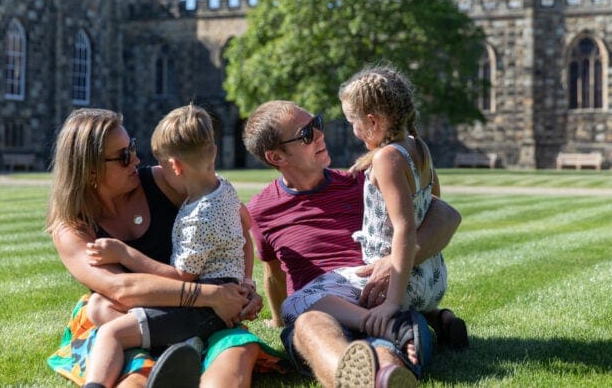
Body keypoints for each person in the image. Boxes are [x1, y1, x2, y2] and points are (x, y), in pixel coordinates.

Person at [45, 108, 282, 388]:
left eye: (131, 147)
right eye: (123, 156)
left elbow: (236, 222)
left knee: (236, 355)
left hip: (204, 311)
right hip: (127, 313)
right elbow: (120, 289)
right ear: (90, 169)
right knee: (121, 348)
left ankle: (188, 358)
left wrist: (244, 285)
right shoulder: (72, 227)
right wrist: (212, 295)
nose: (136, 158)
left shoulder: (163, 181)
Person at [244, 99, 467, 387]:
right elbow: (273, 273)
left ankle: (387, 372)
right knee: (309, 324)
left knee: (383, 347)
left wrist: (394, 262)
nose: (320, 134)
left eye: (318, 124)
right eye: (306, 134)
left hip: (383, 306)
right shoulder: (262, 209)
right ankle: (370, 376)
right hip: (324, 316)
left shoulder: (363, 181)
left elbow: (444, 216)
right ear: (277, 157)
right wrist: (276, 320)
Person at [279, 66, 448, 353]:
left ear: (372, 121)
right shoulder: (418, 147)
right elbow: (435, 204)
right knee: (332, 280)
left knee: (295, 304)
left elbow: (404, 229)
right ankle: (431, 318)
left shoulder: (387, 159)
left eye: (352, 123)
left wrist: (392, 302)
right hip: (432, 276)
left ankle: (386, 323)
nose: (353, 131)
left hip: (399, 280)